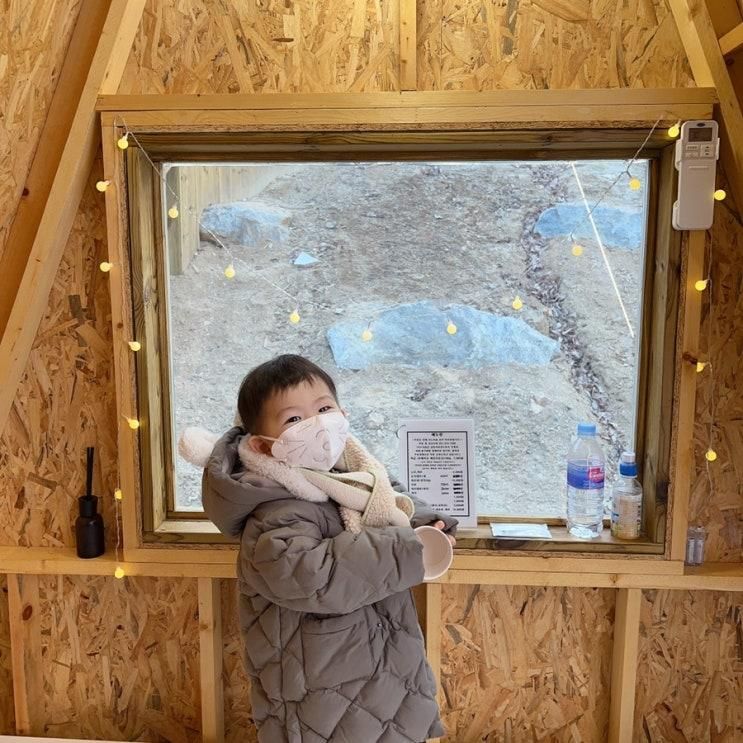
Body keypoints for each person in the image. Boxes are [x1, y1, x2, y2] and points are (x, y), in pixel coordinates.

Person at [201, 354, 457, 742]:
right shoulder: (275, 511)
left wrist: (423, 522)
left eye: (324, 408)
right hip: (320, 704)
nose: (317, 424)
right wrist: (407, 547)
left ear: (342, 413)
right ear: (264, 446)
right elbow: (312, 575)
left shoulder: (347, 476)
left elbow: (387, 504)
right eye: (293, 419)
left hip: (382, 678)